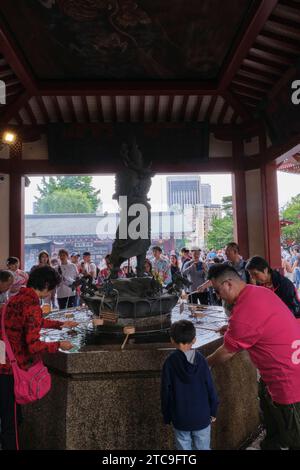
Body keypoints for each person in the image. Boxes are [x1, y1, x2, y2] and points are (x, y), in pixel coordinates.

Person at [206, 264, 300, 450]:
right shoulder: (257, 292)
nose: (218, 296)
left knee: (294, 437)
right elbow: (258, 325)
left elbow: (227, 351)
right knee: (276, 429)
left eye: (217, 290)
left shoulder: (244, 312)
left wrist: (202, 363)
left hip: (287, 381)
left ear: (228, 284)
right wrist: (233, 330)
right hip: (287, 369)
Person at [0, 266, 77, 450]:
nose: (51, 293)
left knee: (10, 418)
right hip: (13, 371)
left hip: (3, 363)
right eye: (52, 289)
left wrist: (60, 324)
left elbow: (31, 322)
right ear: (45, 285)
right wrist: (59, 345)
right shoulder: (33, 306)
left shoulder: (15, 299)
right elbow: (33, 345)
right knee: (12, 425)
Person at [161, 320, 218, 450]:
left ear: (172, 340)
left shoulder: (169, 363)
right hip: (202, 417)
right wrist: (213, 410)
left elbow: (165, 392)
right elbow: (210, 388)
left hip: (180, 418)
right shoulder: (201, 360)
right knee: (203, 447)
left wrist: (167, 415)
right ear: (194, 340)